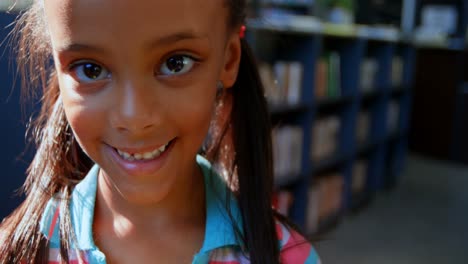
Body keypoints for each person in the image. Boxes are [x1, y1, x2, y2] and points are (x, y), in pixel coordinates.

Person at [0, 0, 320, 263]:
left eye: (176, 63)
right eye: (90, 69)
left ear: (229, 58)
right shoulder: (23, 252)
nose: (135, 118)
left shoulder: (286, 256)